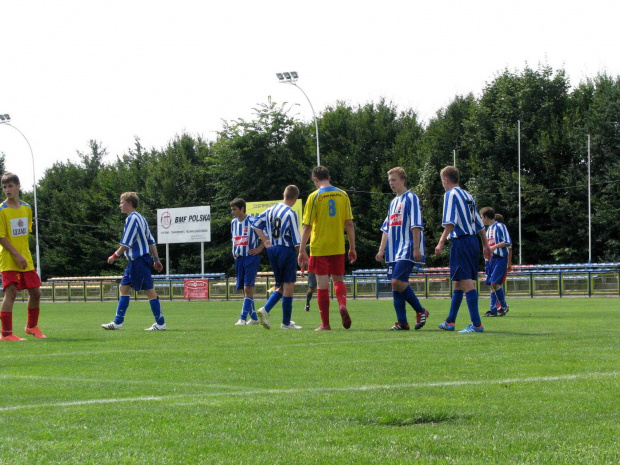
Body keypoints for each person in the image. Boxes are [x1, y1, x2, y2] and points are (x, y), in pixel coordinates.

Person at [298, 166, 356, 331]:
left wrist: (302, 250)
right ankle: (342, 305)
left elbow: (307, 226)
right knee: (338, 279)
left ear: (315, 179)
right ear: (329, 177)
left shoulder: (314, 196)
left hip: (319, 247)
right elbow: (349, 224)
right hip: (338, 246)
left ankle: (325, 324)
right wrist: (352, 247)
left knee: (322, 286)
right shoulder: (343, 195)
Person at [434, 166, 492, 333]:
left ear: (445, 179)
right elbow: (479, 224)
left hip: (461, 242)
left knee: (466, 282)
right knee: (458, 282)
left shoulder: (450, 195)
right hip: (473, 241)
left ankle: (476, 324)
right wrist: (485, 244)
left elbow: (450, 222)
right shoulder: (468, 196)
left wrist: (441, 242)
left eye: (442, 181)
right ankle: (450, 321)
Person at [102, 192, 167, 331]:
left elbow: (127, 243)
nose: (120, 205)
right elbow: (151, 241)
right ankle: (118, 322)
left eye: (121, 202)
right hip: (135, 261)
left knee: (149, 290)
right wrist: (156, 259)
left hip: (139, 260)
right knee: (124, 288)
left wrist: (115, 255)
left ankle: (161, 323)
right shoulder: (142, 218)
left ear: (129, 203)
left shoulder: (131, 219)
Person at [375, 167, 428, 330]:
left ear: (403, 180)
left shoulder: (411, 198)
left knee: (397, 281)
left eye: (394, 180)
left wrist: (417, 247)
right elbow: (387, 228)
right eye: (390, 180)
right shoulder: (393, 203)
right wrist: (381, 250)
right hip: (393, 249)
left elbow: (416, 224)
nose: (391, 183)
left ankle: (421, 310)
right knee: (395, 285)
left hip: (408, 246)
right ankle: (402, 322)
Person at [0, 173, 46, 341]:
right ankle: (6, 333)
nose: (7, 190)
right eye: (4, 187)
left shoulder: (27, 208)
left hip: (25, 259)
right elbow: (2, 237)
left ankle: (31, 327)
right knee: (11, 293)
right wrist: (17, 255)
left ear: (18, 186)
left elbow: (24, 234)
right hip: (9, 258)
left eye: (10, 186)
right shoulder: (1, 210)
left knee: (36, 292)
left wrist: (24, 255)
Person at [253, 185, 302, 330]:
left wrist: (265, 240)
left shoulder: (271, 209)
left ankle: (266, 311)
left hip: (272, 250)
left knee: (281, 285)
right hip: (286, 250)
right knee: (289, 285)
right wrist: (302, 255)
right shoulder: (290, 213)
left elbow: (255, 224)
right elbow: (296, 240)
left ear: (283, 194)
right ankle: (285, 323)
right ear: (295, 198)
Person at [230, 198, 264, 325]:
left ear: (242, 208)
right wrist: (234, 252)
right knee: (244, 289)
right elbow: (234, 239)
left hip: (250, 258)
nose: (232, 212)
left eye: (234, 209)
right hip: (239, 259)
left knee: (248, 287)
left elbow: (265, 237)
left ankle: (242, 318)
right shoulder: (233, 223)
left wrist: (259, 249)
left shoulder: (252, 221)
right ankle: (254, 318)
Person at [481, 207, 512, 317]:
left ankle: (504, 306)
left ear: (486, 217)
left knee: (495, 283)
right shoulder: (488, 229)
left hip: (500, 258)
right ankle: (493, 309)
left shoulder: (500, 226)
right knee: (491, 285)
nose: (481, 220)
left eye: (482, 217)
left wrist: (494, 247)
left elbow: (507, 242)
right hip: (490, 260)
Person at [302, 244, 316, 312]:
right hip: (312, 270)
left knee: (323, 287)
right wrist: (302, 270)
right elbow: (304, 260)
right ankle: (307, 304)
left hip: (320, 268)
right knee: (311, 288)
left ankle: (323, 306)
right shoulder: (308, 247)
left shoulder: (318, 246)